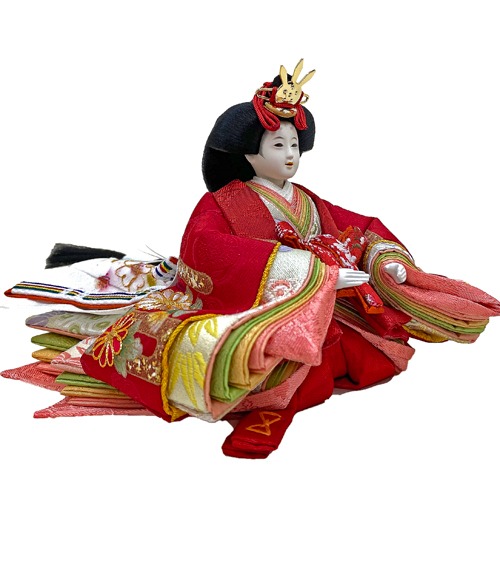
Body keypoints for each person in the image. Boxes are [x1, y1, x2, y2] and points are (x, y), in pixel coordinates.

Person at [5, 60, 500, 458]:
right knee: (262, 359)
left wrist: (384, 260)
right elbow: (205, 249)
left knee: (373, 348)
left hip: (311, 303)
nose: (290, 155)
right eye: (277, 144)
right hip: (251, 303)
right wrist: (314, 273)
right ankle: (265, 401)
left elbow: (360, 227)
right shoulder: (225, 202)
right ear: (247, 152)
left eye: (294, 145)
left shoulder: (306, 199)